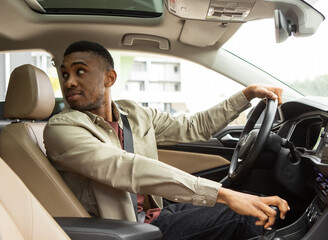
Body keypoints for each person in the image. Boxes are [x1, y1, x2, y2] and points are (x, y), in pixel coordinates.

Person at [44, 40, 289, 240]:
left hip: (154, 215)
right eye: (65, 74)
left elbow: (195, 126)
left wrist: (246, 95)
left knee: (257, 206)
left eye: (80, 71)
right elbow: (127, 168)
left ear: (110, 78)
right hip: (123, 230)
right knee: (243, 215)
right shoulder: (61, 129)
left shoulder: (134, 114)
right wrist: (224, 195)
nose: (69, 82)